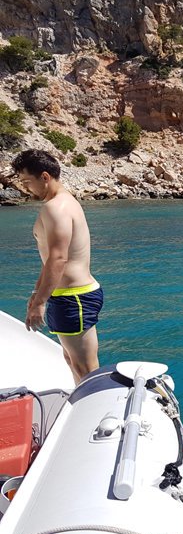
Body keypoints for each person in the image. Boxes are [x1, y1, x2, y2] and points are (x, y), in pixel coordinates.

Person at [12, 150, 104, 384]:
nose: (25, 188)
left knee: (86, 368)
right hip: (68, 296)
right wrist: (37, 293)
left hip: (74, 297)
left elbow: (58, 259)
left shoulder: (56, 208)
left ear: (44, 177)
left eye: (26, 182)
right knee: (71, 359)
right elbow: (49, 260)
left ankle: (95, 416)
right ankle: (81, 408)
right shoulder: (62, 203)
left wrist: (41, 302)